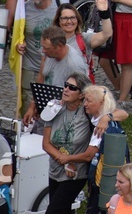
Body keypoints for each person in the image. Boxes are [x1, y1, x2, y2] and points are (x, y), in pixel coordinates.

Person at [42, 72, 97, 214]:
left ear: (81, 95)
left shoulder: (87, 112)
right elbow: (46, 144)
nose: (66, 89)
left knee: (54, 210)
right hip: (55, 170)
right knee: (63, 210)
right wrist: (65, 161)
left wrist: (106, 118)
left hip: (76, 174)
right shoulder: (53, 108)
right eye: (65, 85)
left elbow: (119, 113)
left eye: (72, 87)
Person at [22, 26, 89, 125]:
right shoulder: (49, 54)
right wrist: (34, 105)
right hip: (46, 109)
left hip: (61, 116)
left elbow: (81, 94)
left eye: (47, 48)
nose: (43, 51)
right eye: (43, 47)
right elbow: (41, 76)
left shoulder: (75, 65)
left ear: (60, 46)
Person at [12, 0, 58, 113]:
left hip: (53, 65)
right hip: (30, 64)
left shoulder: (59, 8)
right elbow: (17, 33)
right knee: (27, 102)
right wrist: (20, 43)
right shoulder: (23, 9)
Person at [82, 84, 129, 214]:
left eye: (89, 101)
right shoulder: (98, 117)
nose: (85, 104)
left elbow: (88, 155)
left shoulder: (103, 128)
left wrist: (65, 158)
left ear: (101, 103)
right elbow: (123, 113)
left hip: (103, 182)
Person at [53, 0, 112, 84]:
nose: (69, 21)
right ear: (58, 21)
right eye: (65, 18)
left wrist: (104, 13)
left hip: (79, 91)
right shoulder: (51, 41)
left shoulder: (84, 39)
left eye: (73, 17)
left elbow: (106, 34)